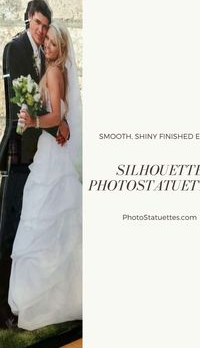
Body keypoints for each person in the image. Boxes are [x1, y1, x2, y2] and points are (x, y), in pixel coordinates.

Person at [8, 20, 82, 330]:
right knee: (55, 222)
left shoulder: (53, 70)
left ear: (62, 47)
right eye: (46, 41)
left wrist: (33, 119)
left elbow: (56, 115)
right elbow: (61, 115)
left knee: (46, 217)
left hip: (52, 153)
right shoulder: (57, 70)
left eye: (52, 43)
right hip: (54, 150)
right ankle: (60, 293)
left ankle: (47, 298)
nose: (47, 46)